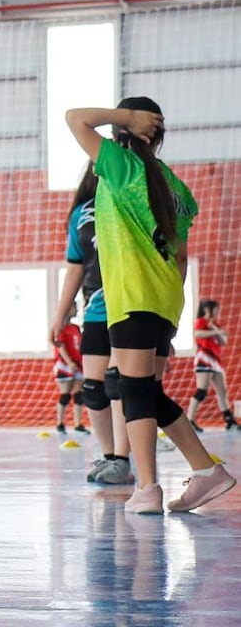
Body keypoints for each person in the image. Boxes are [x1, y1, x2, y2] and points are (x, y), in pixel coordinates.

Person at [66, 96, 236, 514]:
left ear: (124, 131)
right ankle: (194, 474)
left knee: (135, 389)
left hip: (134, 295)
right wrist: (170, 320)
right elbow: (179, 258)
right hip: (163, 298)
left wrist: (124, 118)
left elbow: (75, 118)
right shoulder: (176, 188)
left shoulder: (122, 168)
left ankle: (152, 486)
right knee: (141, 389)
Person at [51, 183, 134, 485]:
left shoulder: (132, 200)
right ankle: (110, 455)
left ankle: (123, 459)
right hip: (95, 311)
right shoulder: (81, 215)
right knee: (92, 389)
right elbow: (74, 268)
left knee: (117, 382)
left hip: (130, 307)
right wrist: (60, 316)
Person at [184, 299, 238, 431]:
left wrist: (216, 330)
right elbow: (197, 334)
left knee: (222, 391)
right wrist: (215, 331)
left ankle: (229, 419)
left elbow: (223, 342)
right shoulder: (201, 321)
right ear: (208, 309)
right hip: (204, 357)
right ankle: (189, 419)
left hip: (215, 360)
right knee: (201, 390)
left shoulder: (215, 325)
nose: (217, 312)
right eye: (215, 309)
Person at [51, 302, 89, 435]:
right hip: (64, 365)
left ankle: (78, 424)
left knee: (79, 395)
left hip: (78, 365)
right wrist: (69, 362)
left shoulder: (75, 328)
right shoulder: (60, 328)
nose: (77, 310)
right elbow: (60, 346)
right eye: (74, 307)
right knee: (65, 395)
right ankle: (60, 423)